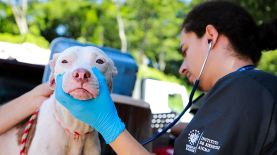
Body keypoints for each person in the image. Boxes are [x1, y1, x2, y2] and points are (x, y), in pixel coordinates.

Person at [55, 1, 277, 155]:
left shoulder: (244, 92)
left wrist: (109, 125)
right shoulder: (249, 90)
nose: (182, 68)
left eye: (185, 51)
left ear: (210, 37)